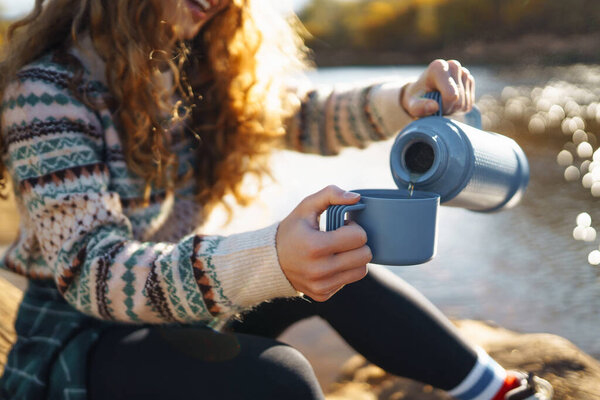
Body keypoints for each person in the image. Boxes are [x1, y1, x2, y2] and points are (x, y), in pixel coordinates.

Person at [0, 0, 553, 399]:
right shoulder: (45, 94)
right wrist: (269, 259)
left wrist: (405, 101)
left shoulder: (193, 66)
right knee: (279, 378)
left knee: (344, 264)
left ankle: (497, 390)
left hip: (179, 312)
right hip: (83, 337)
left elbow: (305, 115)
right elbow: (95, 273)